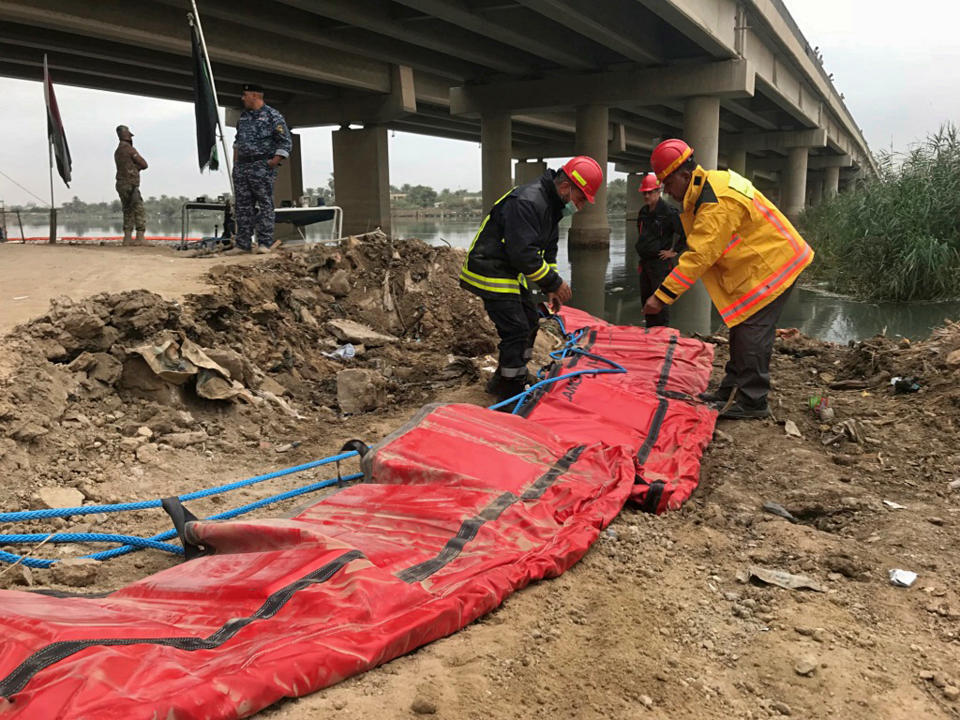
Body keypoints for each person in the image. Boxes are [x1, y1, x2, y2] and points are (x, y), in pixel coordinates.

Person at [642, 139, 814, 419]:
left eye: (668, 183)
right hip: (757, 265)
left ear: (685, 176)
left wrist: (661, 296)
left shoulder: (715, 200)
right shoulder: (706, 190)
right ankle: (733, 387)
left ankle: (752, 400)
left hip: (772, 265)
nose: (667, 192)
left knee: (752, 332)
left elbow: (699, 256)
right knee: (741, 327)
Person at [460, 155, 604, 403]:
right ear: (566, 186)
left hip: (506, 268)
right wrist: (554, 283)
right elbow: (523, 254)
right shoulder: (528, 201)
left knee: (530, 320)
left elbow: (547, 251)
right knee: (516, 328)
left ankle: (507, 378)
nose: (580, 207)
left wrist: (551, 285)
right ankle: (511, 391)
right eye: (581, 199)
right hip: (488, 269)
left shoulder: (551, 206)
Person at [228, 83, 292, 254]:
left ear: (255, 96)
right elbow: (237, 142)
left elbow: (285, 142)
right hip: (242, 167)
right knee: (242, 206)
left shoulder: (273, 116)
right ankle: (243, 244)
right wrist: (236, 165)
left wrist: (272, 162)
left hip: (261, 167)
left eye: (245, 95)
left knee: (264, 204)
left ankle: (264, 243)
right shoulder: (243, 117)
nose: (242, 98)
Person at [635, 172, 685, 327]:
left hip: (660, 264)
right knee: (646, 299)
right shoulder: (643, 212)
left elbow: (685, 233)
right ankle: (650, 331)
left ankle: (662, 333)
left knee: (660, 300)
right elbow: (642, 233)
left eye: (650, 192)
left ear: (658, 192)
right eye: (645, 193)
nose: (647, 196)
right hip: (645, 263)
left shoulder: (669, 212)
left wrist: (674, 251)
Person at [114, 125, 148, 246]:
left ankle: (127, 238)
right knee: (138, 209)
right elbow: (144, 164)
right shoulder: (129, 149)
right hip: (131, 184)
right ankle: (140, 237)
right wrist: (136, 169)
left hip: (120, 183)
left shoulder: (117, 151)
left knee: (127, 210)